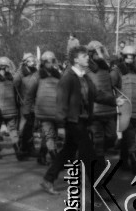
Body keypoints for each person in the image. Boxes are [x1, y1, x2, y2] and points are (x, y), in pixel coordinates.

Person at [40, 46, 100, 195]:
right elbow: (61, 102)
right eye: (84, 56)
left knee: (68, 152)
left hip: (83, 120)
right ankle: (99, 188)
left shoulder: (85, 77)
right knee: (89, 153)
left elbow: (96, 95)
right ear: (76, 59)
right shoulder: (67, 78)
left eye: (87, 55)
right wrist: (61, 124)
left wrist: (114, 101)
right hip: (73, 121)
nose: (87, 58)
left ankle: (48, 179)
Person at [111, 45, 136, 174]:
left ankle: (123, 161)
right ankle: (135, 161)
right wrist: (115, 100)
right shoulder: (117, 71)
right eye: (127, 56)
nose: (129, 59)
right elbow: (109, 87)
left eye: (132, 56)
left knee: (128, 136)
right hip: (124, 109)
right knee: (130, 137)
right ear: (123, 57)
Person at [86, 41, 119, 171]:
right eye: (97, 52)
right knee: (98, 139)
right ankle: (99, 164)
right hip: (95, 110)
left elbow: (111, 84)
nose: (101, 55)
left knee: (112, 137)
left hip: (109, 109)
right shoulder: (87, 69)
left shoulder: (106, 68)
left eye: (101, 51)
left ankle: (96, 155)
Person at [0, 57, 23, 160]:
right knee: (0, 132)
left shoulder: (6, 78)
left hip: (5, 110)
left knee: (5, 131)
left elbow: (14, 94)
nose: (9, 69)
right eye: (7, 66)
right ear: (3, 67)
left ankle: (15, 150)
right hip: (2, 111)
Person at [30, 51, 61, 165]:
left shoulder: (57, 74)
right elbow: (30, 93)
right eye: (49, 61)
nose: (51, 63)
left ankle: (41, 156)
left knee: (49, 135)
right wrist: (30, 108)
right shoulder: (37, 75)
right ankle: (55, 158)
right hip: (43, 111)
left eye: (53, 60)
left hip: (55, 110)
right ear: (43, 62)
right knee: (49, 135)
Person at [14, 53, 39, 157]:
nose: (32, 61)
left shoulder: (36, 72)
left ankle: (30, 146)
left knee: (31, 126)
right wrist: (19, 101)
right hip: (24, 104)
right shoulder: (19, 73)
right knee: (23, 127)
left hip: (34, 103)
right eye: (30, 60)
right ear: (25, 62)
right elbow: (15, 88)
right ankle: (21, 147)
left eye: (33, 59)